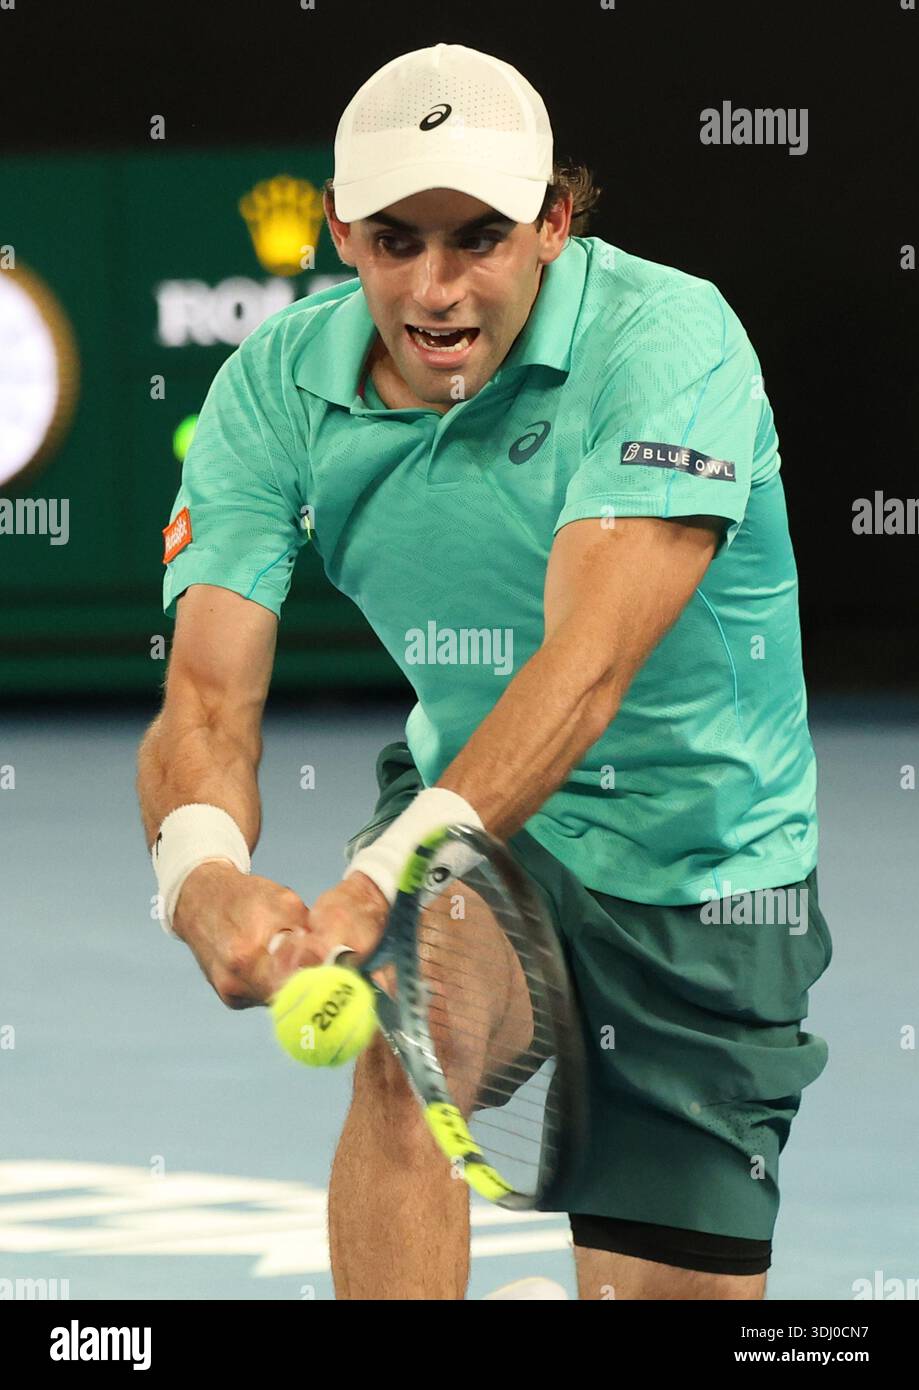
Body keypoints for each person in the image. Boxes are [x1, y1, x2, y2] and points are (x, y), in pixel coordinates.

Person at [136, 42, 832, 1300]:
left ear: (555, 221)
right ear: (341, 232)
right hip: (480, 832)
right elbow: (205, 700)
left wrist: (368, 874)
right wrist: (199, 876)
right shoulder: (273, 390)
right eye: (396, 240)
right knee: (408, 1039)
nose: (436, 288)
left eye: (481, 238)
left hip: (707, 871)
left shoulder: (669, 340)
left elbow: (584, 671)